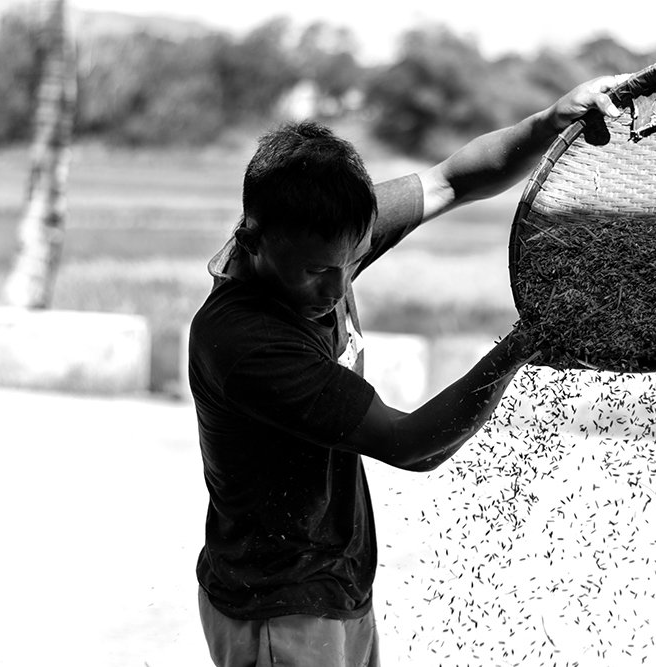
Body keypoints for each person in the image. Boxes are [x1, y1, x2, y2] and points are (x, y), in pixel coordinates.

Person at [189, 73, 627, 667]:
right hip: (278, 604)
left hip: (336, 582)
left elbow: (451, 180)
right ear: (253, 239)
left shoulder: (329, 229)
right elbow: (411, 444)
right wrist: (521, 345)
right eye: (318, 271)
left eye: (352, 260)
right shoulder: (247, 343)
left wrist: (549, 119)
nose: (338, 286)